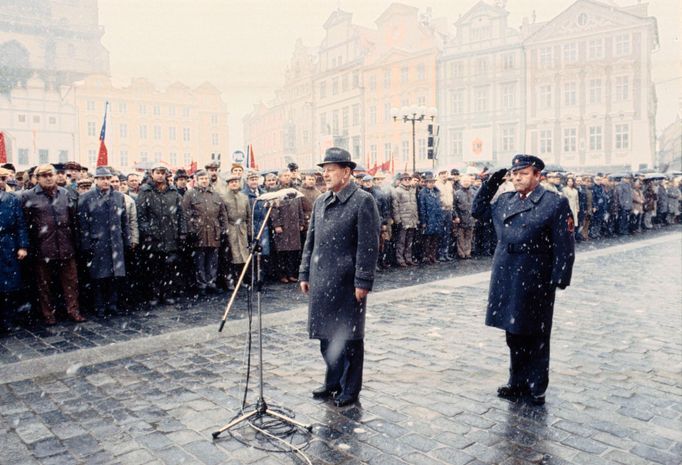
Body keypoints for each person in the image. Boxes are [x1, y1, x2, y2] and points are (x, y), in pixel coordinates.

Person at [472, 154, 575, 406]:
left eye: (524, 173)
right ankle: (516, 382)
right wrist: (492, 182)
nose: (517, 177)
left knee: (537, 334)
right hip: (507, 272)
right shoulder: (505, 200)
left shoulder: (554, 203)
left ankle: (536, 386)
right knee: (513, 332)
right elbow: (477, 211)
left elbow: (565, 244)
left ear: (538, 176)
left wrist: (559, 276)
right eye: (514, 173)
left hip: (535, 275)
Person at [299, 147, 380, 407]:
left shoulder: (363, 200)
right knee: (325, 337)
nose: (325, 174)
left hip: (347, 283)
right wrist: (304, 272)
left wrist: (363, 281)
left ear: (346, 172)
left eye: (330, 169)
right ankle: (332, 381)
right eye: (324, 170)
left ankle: (349, 389)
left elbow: (368, 245)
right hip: (322, 280)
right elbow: (310, 242)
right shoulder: (321, 201)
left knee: (349, 340)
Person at [21, 164, 86, 324]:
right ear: (37, 178)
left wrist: (75, 242)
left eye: (51, 174)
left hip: (65, 245)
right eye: (44, 175)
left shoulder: (64, 193)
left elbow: (73, 220)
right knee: (44, 285)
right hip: (42, 248)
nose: (49, 178)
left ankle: (73, 311)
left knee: (71, 282)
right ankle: (48, 314)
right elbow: (25, 223)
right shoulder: (28, 196)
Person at [77, 167, 130, 317]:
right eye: (102, 179)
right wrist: (86, 244)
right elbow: (83, 224)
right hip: (98, 243)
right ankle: (99, 306)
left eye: (108, 178)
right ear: (96, 180)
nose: (105, 181)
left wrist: (126, 240)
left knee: (115, 276)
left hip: (115, 243)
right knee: (98, 277)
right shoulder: (86, 198)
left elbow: (124, 221)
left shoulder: (119, 197)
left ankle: (112, 305)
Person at [136, 163, 186, 305]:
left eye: (162, 172)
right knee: (154, 269)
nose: (160, 175)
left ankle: (168, 293)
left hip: (171, 236)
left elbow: (181, 214)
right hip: (154, 238)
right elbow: (141, 216)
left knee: (170, 267)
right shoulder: (145, 192)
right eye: (157, 172)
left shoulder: (173, 192)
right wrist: (149, 232)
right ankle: (154, 295)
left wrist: (182, 232)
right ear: (152, 173)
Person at [182, 170, 228, 294]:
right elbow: (185, 214)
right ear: (196, 180)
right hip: (199, 232)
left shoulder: (216, 195)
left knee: (213, 260)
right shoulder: (190, 194)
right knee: (200, 260)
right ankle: (201, 284)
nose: (204, 181)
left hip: (214, 232)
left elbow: (222, 214)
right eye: (201, 178)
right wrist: (190, 230)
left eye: (206, 178)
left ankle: (211, 283)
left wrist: (224, 229)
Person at [0, 167, 29, 332]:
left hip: (8, 246)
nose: (1, 182)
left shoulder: (12, 199)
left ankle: (8, 319)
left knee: (8, 288)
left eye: (3, 179)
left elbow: (20, 225)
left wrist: (22, 246)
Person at [222, 174, 251, 282]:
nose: (234, 184)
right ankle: (231, 280)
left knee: (244, 254)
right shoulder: (224, 198)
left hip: (242, 229)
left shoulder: (244, 197)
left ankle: (244, 279)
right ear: (228, 184)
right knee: (232, 255)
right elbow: (223, 215)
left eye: (236, 182)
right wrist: (226, 230)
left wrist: (248, 230)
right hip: (231, 228)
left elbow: (249, 216)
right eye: (231, 182)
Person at [392, 172, 418, 267]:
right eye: (405, 179)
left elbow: (415, 205)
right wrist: (398, 220)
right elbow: (395, 207)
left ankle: (408, 258)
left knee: (410, 241)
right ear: (401, 180)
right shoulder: (397, 191)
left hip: (412, 220)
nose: (407, 181)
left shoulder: (412, 190)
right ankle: (400, 259)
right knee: (401, 241)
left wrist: (416, 218)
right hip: (403, 220)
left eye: (408, 179)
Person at [417, 173, 443, 264]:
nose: (431, 184)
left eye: (432, 182)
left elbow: (439, 205)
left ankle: (433, 255)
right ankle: (426, 256)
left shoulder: (436, 192)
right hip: (428, 218)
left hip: (436, 219)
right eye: (429, 182)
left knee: (435, 239)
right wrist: (423, 221)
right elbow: (422, 208)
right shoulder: (423, 193)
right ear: (426, 183)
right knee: (427, 239)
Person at [453, 174, 475, 259]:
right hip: (461, 217)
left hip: (470, 217)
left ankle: (468, 252)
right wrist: (456, 216)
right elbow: (454, 206)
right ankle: (461, 253)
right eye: (464, 181)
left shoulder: (473, 192)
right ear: (461, 182)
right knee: (460, 237)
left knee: (469, 237)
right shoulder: (457, 193)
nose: (466, 183)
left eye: (467, 181)